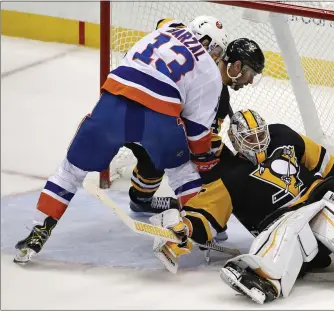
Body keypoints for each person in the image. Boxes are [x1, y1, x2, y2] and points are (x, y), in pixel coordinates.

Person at [13, 16, 229, 264]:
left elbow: (165, 22)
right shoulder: (211, 72)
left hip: (114, 102)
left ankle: (38, 231)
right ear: (214, 48)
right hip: (158, 118)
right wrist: (204, 163)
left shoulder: (168, 29)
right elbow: (198, 132)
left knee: (69, 171)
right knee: (183, 173)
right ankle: (200, 232)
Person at [150, 109, 334, 304]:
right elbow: (205, 216)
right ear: (236, 142)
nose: (257, 143)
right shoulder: (229, 176)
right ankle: (265, 277)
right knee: (286, 235)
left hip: (320, 199)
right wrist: (181, 230)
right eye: (250, 139)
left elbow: (325, 163)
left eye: (260, 135)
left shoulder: (282, 134)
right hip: (281, 221)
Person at [125, 31, 265, 242]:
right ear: (237, 67)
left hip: (144, 123)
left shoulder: (216, 86)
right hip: (146, 122)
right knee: (209, 164)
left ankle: (142, 199)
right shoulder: (207, 80)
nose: (250, 80)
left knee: (161, 161)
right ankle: (197, 215)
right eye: (250, 74)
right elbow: (199, 142)